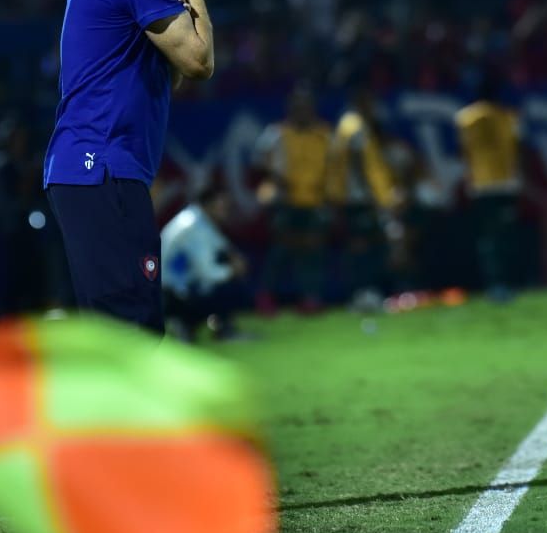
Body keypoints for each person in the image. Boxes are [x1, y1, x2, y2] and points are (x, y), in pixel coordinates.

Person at [43, 0, 216, 334]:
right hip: (102, 170)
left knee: (127, 332)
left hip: (95, 171)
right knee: (133, 332)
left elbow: (176, 73)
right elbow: (200, 61)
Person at [253, 85, 333, 314]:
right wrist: (276, 179)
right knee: (280, 250)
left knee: (313, 252)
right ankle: (266, 297)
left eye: (306, 107)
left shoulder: (324, 134)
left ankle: (310, 298)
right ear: (290, 109)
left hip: (315, 200)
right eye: (298, 107)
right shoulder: (276, 133)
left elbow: (333, 167)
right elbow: (259, 163)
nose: (302, 111)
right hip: (285, 201)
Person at [327, 87, 403, 310]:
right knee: (365, 247)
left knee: (362, 246)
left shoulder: (347, 124)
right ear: (361, 100)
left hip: (353, 197)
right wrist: (371, 194)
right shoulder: (355, 126)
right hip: (360, 198)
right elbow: (358, 160)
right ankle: (364, 295)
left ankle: (364, 293)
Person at [455, 72, 524, 299]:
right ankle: (509, 282)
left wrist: (469, 177)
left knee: (488, 237)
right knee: (505, 234)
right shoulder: (509, 116)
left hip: (481, 185)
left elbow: (464, 153)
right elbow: (518, 149)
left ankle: (495, 283)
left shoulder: (465, 118)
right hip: (506, 183)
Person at [159, 187, 252, 343]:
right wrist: (234, 270)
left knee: (226, 264)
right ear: (208, 205)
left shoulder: (195, 217)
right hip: (171, 293)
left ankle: (186, 322)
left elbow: (220, 244)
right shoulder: (196, 227)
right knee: (231, 284)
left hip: (169, 288)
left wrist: (234, 257)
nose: (226, 210)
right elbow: (207, 272)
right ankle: (199, 325)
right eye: (222, 206)